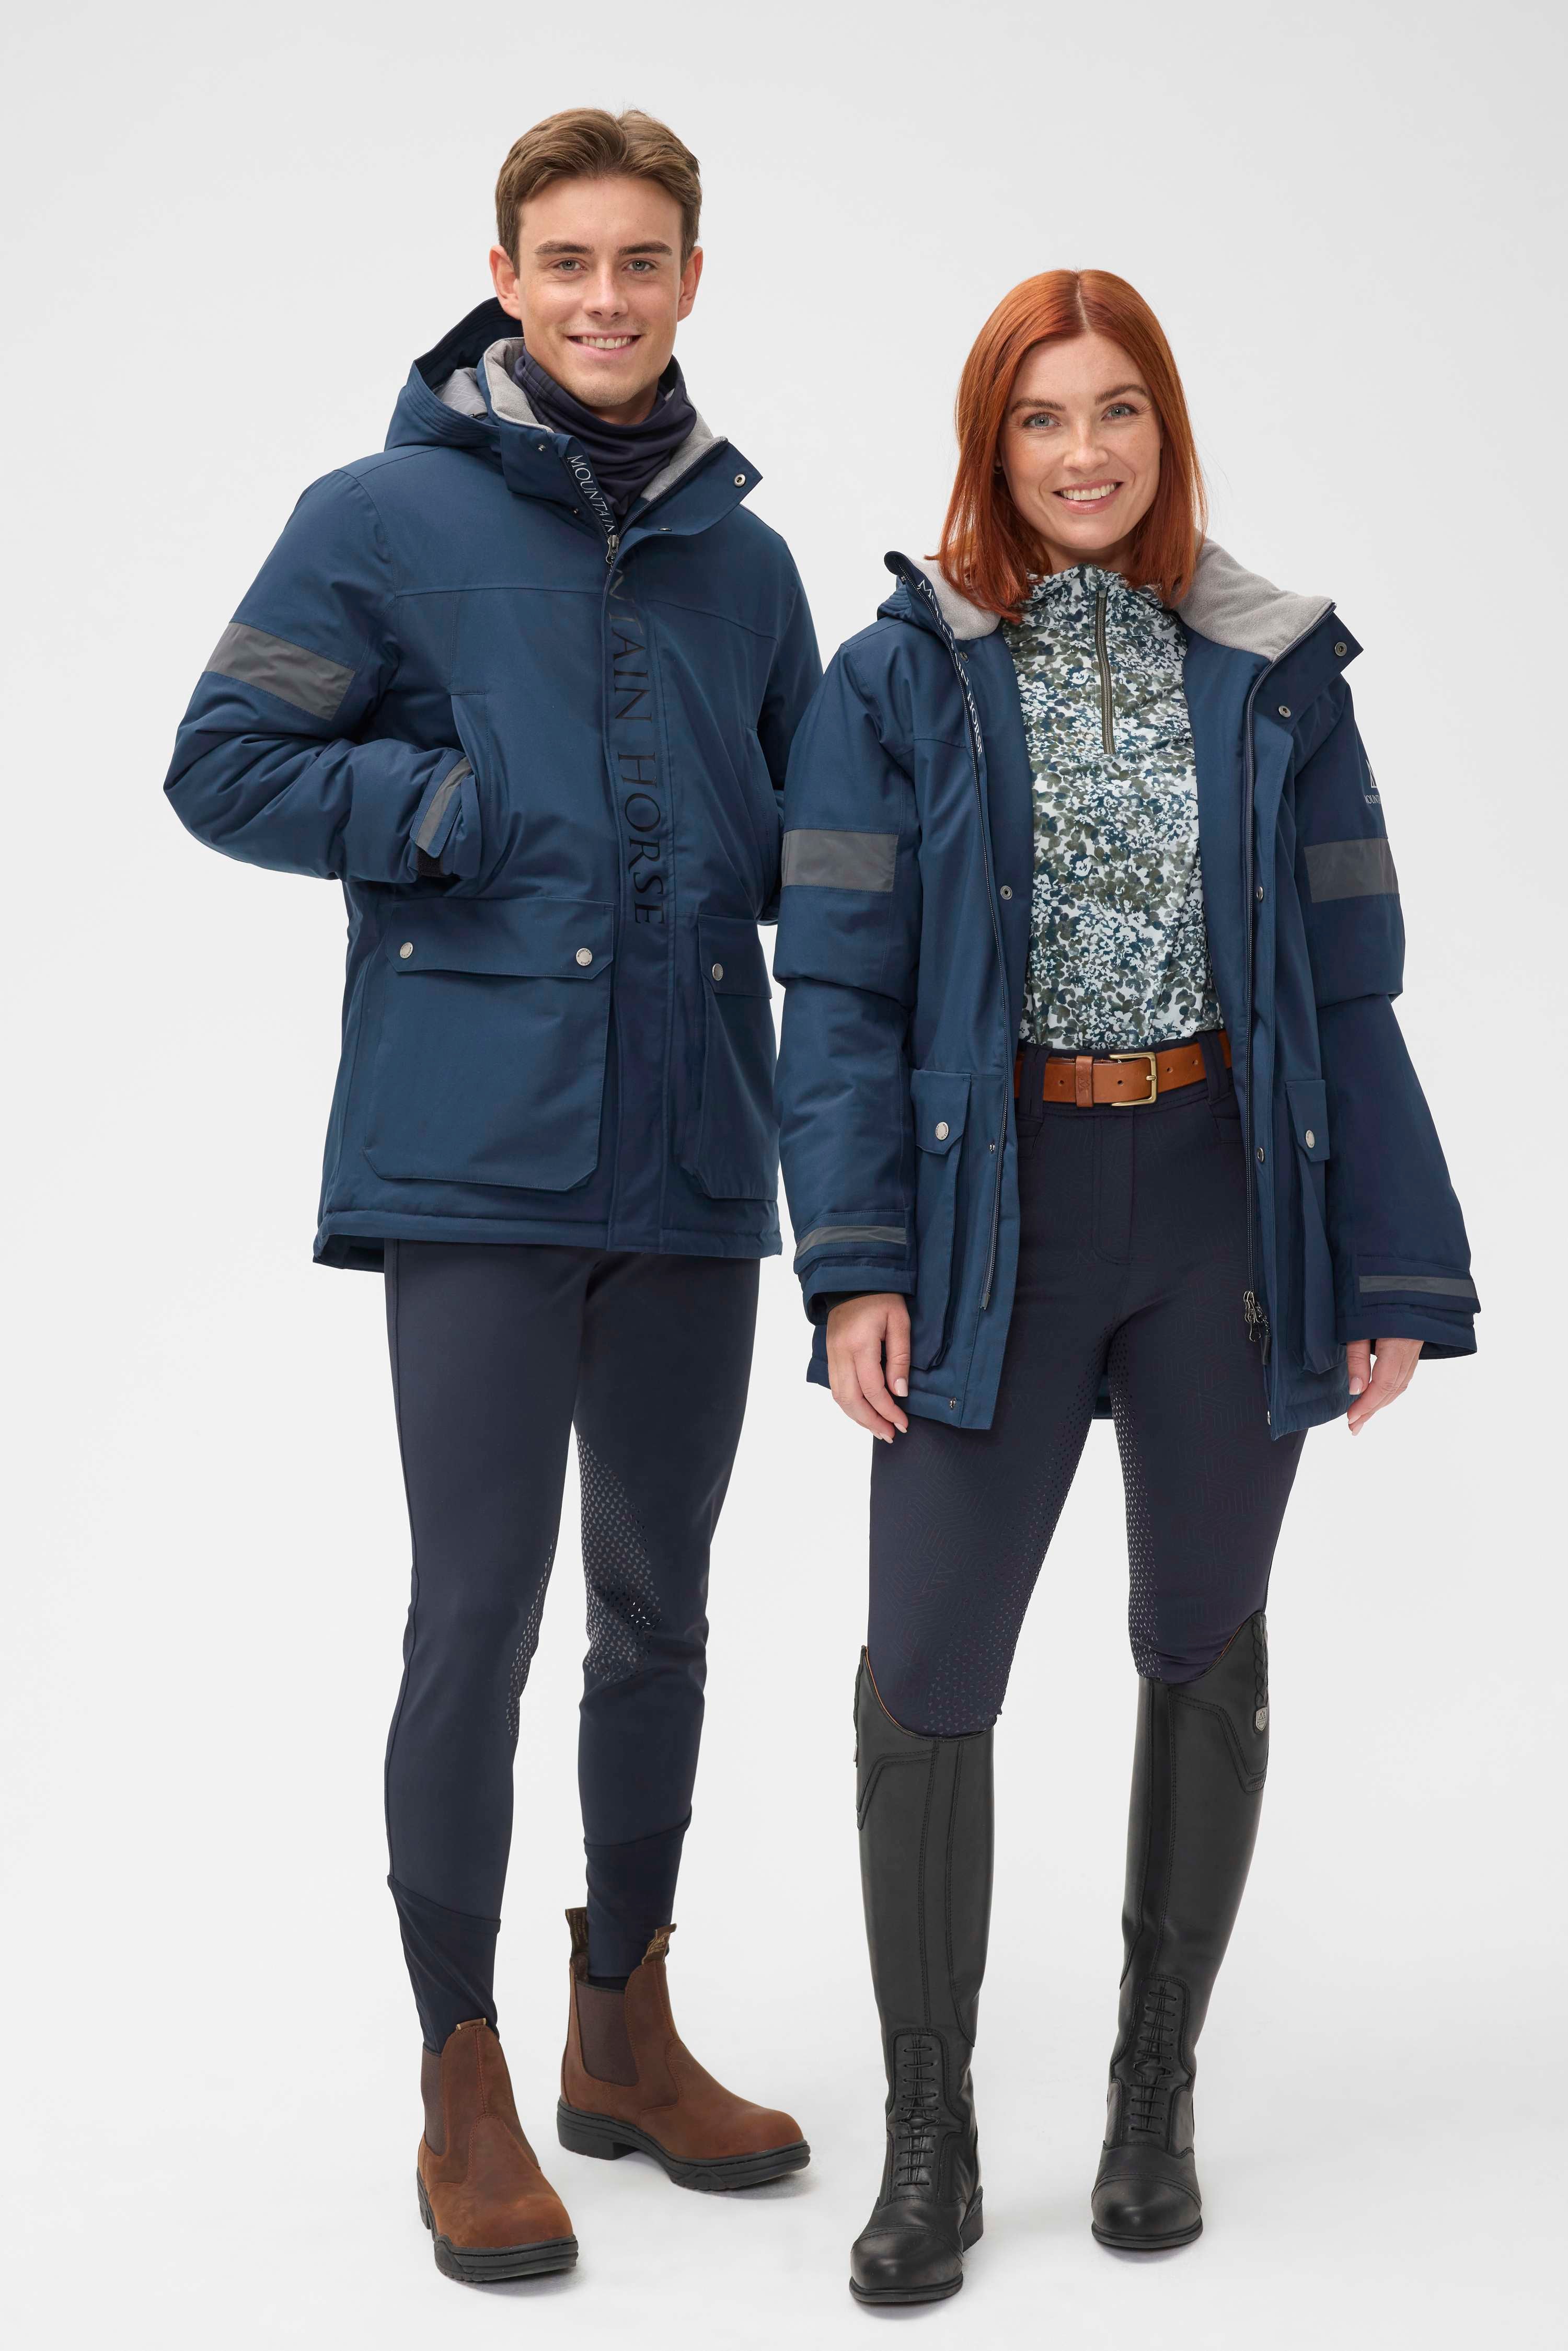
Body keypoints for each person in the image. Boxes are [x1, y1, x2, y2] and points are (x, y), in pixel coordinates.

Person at [774, 269, 1475, 2303]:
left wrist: (1390, 1262)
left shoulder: (1274, 670)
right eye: (1041, 418)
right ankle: (931, 2133)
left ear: (1167, 431)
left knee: (1202, 1634)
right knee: (930, 1668)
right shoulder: (894, 679)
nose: (1083, 453)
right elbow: (839, 994)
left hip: (1220, 1211)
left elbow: (1352, 984)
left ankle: (1152, 2087)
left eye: (1119, 412)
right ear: (989, 444)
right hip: (992, 1211)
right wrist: (857, 1266)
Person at [165, 107, 818, 2283]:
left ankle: (622, 2024)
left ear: (690, 280)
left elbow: (814, 848)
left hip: (695, 1152)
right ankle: (464, 2072)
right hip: (477, 1151)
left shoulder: (746, 559)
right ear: (505, 275)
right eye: (568, 261)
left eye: (642, 261)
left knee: (664, 1606)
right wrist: (449, 808)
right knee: (478, 1612)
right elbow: (224, 761)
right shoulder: (380, 515)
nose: (605, 298)